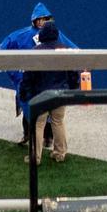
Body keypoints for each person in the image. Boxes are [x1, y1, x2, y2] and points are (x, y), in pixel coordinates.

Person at [17, 24, 78, 164]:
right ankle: (60, 153)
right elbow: (73, 73)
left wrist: (24, 93)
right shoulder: (65, 51)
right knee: (58, 122)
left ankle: (35, 158)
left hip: (40, 95)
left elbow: (28, 76)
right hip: (60, 94)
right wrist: (73, 89)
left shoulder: (35, 52)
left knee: (38, 125)